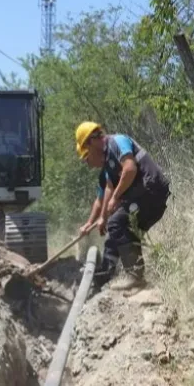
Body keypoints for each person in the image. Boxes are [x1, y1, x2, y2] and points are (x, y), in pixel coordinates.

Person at [75, 121, 171, 293]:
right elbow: (108, 189)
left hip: (152, 191)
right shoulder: (107, 164)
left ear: (91, 141)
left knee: (117, 223)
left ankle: (135, 277)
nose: (88, 163)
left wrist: (116, 198)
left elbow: (130, 169)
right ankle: (104, 278)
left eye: (86, 155)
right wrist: (100, 218)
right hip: (142, 196)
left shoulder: (117, 142)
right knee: (115, 232)